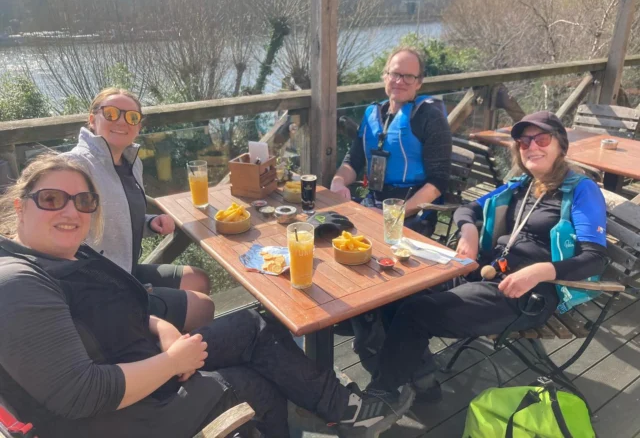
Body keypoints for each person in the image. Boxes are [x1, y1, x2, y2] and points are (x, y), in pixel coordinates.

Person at [0, 154, 415, 438]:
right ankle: (326, 407)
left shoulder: (67, 255)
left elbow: (126, 312)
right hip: (129, 415)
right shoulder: (18, 283)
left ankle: (342, 409)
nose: (71, 212)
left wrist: (165, 332)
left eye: (83, 200)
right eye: (51, 200)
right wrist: (169, 364)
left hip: (148, 362)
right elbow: (81, 393)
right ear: (20, 207)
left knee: (255, 324)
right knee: (259, 384)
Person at [369, 111, 609, 401]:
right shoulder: (521, 185)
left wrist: (539, 271)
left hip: (527, 295)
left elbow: (595, 258)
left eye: (542, 139)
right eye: (524, 142)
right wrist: (468, 231)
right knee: (396, 293)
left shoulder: (581, 190)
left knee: (415, 313)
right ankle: (421, 379)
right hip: (486, 272)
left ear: (561, 145)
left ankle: (379, 397)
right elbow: (466, 208)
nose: (532, 146)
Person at [64, 88, 213, 332]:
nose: (122, 121)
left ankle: (166, 347)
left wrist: (150, 222)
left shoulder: (132, 162)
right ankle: (167, 359)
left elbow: (115, 216)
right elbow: (61, 238)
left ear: (139, 126)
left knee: (199, 279)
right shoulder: (76, 165)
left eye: (132, 117)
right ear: (92, 120)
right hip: (99, 288)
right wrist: (126, 288)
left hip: (127, 270)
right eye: (111, 113)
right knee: (203, 306)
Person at [330, 46, 452, 238]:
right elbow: (353, 161)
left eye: (408, 76)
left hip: (412, 215)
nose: (399, 81)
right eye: (395, 74)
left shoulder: (430, 117)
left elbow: (438, 182)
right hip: (372, 204)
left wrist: (396, 214)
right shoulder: (373, 113)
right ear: (385, 76)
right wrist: (338, 182)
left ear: (419, 82)